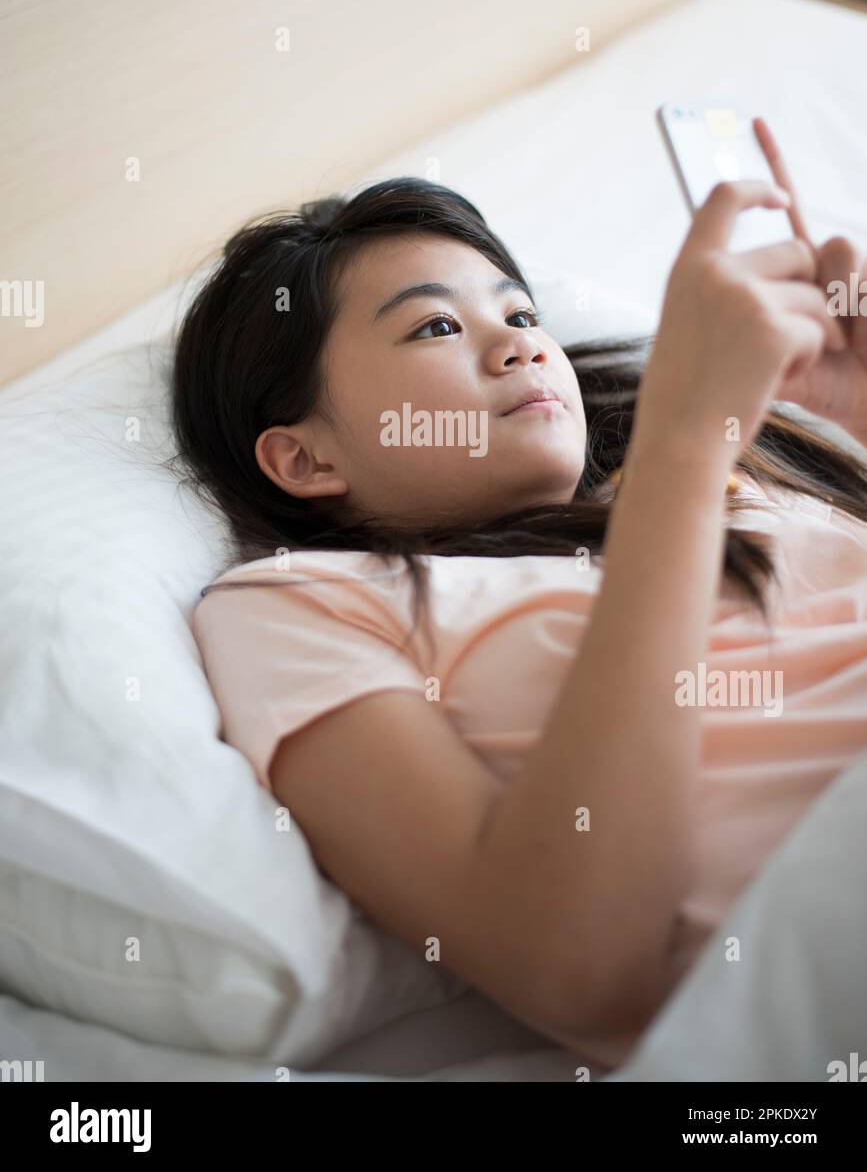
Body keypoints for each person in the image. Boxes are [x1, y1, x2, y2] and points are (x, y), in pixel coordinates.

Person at [172, 121, 867, 1072]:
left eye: (523, 315)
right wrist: (681, 451)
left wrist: (856, 416)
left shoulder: (742, 474)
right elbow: (575, 966)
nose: (521, 348)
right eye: (437, 326)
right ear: (304, 455)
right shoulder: (297, 605)